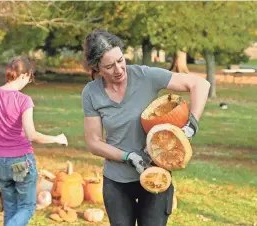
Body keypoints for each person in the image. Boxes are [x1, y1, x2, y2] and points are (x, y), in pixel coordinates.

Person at [81, 30, 210, 226]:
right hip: (117, 182)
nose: (118, 69)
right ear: (96, 67)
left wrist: (192, 123)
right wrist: (129, 157)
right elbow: (94, 143)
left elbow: (200, 84)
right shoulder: (91, 93)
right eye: (109, 66)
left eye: (120, 60)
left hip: (157, 176)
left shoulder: (145, 75)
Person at [0, 56, 68, 226]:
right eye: (29, 78)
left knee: (10, 206)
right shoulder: (24, 100)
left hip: (0, 164)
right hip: (20, 163)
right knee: (27, 206)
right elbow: (32, 135)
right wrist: (56, 138)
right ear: (24, 75)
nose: (28, 81)